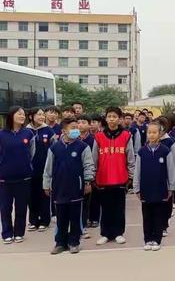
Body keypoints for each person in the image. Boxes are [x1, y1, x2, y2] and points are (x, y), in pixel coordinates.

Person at [43, 118, 95, 254]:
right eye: (73, 127)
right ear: (64, 131)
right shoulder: (54, 148)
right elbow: (48, 169)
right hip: (59, 188)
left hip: (76, 188)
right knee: (61, 218)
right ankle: (60, 243)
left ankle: (74, 242)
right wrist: (46, 185)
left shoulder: (83, 147)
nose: (76, 130)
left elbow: (88, 166)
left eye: (77, 127)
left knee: (75, 217)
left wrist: (88, 181)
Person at [92, 107, 135, 245]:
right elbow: (94, 158)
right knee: (105, 208)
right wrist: (92, 176)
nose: (112, 119)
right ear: (105, 118)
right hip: (103, 179)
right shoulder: (98, 137)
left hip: (121, 178)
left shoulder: (126, 136)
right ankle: (105, 233)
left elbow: (130, 158)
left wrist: (131, 176)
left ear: (120, 119)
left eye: (114, 116)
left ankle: (118, 233)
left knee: (119, 207)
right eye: (109, 116)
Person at [133, 121, 175, 251]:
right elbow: (137, 172)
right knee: (147, 216)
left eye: (154, 132)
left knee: (158, 216)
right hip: (146, 190)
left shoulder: (165, 151)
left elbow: (171, 170)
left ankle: (157, 240)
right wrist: (136, 188)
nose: (151, 135)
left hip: (161, 189)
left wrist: (171, 188)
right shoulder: (142, 152)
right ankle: (147, 239)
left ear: (160, 134)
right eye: (149, 132)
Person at [0, 107, 36, 244]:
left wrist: (26, 165)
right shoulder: (2, 134)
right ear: (11, 115)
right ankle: (7, 233)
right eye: (19, 114)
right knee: (5, 207)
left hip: (24, 177)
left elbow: (32, 153)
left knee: (21, 207)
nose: (22, 116)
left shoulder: (28, 134)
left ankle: (19, 232)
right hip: (4, 178)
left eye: (23, 114)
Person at [26, 107, 56, 232]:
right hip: (29, 170)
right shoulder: (26, 131)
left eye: (43, 115)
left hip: (45, 170)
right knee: (31, 196)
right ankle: (33, 221)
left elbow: (54, 149)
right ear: (31, 116)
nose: (41, 117)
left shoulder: (48, 131)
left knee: (44, 195)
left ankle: (45, 220)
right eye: (38, 115)